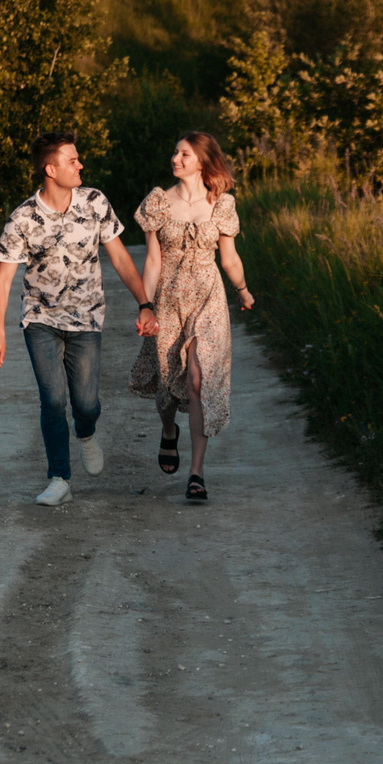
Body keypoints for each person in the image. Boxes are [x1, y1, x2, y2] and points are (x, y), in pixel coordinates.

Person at [0, 131, 156, 506]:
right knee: (52, 400)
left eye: (78, 160)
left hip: (87, 319)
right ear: (51, 169)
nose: (80, 165)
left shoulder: (95, 202)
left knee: (86, 404)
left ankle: (87, 432)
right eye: (72, 160)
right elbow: (3, 279)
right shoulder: (23, 218)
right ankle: (59, 478)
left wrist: (144, 302)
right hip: (40, 320)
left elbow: (121, 257)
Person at [128, 131, 254, 503]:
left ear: (202, 161)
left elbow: (228, 258)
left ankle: (196, 474)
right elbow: (152, 260)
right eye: (175, 152)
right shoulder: (157, 202)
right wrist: (145, 305)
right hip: (168, 297)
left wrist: (243, 290)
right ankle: (169, 431)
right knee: (169, 385)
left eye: (184, 153)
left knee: (198, 378)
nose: (176, 158)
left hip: (208, 296)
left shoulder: (222, 204)